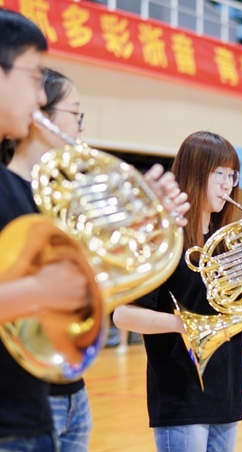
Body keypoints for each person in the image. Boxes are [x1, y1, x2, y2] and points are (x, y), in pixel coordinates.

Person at [3, 62, 190, 450]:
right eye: (76, 114)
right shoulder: (9, 193)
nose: (81, 127)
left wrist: (147, 221)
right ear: (41, 114)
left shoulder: (74, 200)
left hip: (72, 388)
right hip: (18, 397)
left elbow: (99, 279)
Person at [113, 131, 242, 451]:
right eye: (220, 174)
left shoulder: (229, 242)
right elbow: (123, 315)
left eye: (232, 176)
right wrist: (188, 325)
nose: (228, 185)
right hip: (181, 395)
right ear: (194, 173)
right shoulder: (164, 240)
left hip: (226, 393)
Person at [0, 10, 90, 451]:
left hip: (29, 412)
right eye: (34, 75)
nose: (39, 97)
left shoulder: (13, 189)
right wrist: (42, 289)